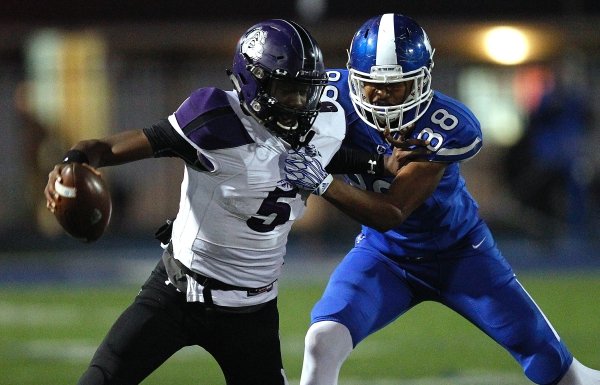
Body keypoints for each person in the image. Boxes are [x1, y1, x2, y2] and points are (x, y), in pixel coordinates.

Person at [44, 18, 421, 385]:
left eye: (307, 90)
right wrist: (71, 162)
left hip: (252, 312)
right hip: (176, 293)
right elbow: (108, 148)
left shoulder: (325, 121)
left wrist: (377, 162)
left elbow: (326, 155)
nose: (300, 102)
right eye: (288, 89)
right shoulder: (211, 120)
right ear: (253, 83)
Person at [283, 13, 600, 385]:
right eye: (373, 86)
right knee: (322, 340)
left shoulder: (447, 124)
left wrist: (322, 182)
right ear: (355, 80)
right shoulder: (328, 96)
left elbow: (392, 210)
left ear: (421, 82)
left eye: (398, 86)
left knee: (559, 370)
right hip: (384, 255)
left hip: (461, 255)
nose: (383, 95)